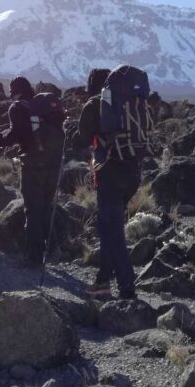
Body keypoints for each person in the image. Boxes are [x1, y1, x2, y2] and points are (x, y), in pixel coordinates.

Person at [70, 68, 142, 300]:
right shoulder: (129, 102)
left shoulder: (95, 103)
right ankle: (103, 281)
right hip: (133, 171)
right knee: (111, 228)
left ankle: (127, 288)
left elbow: (82, 137)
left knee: (112, 231)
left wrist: (71, 134)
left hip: (110, 172)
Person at [0, 77, 66, 266]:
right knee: (46, 207)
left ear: (15, 91)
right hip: (55, 164)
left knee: (33, 210)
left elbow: (17, 134)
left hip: (33, 164)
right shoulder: (44, 107)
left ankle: (34, 256)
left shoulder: (18, 108)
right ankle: (54, 249)